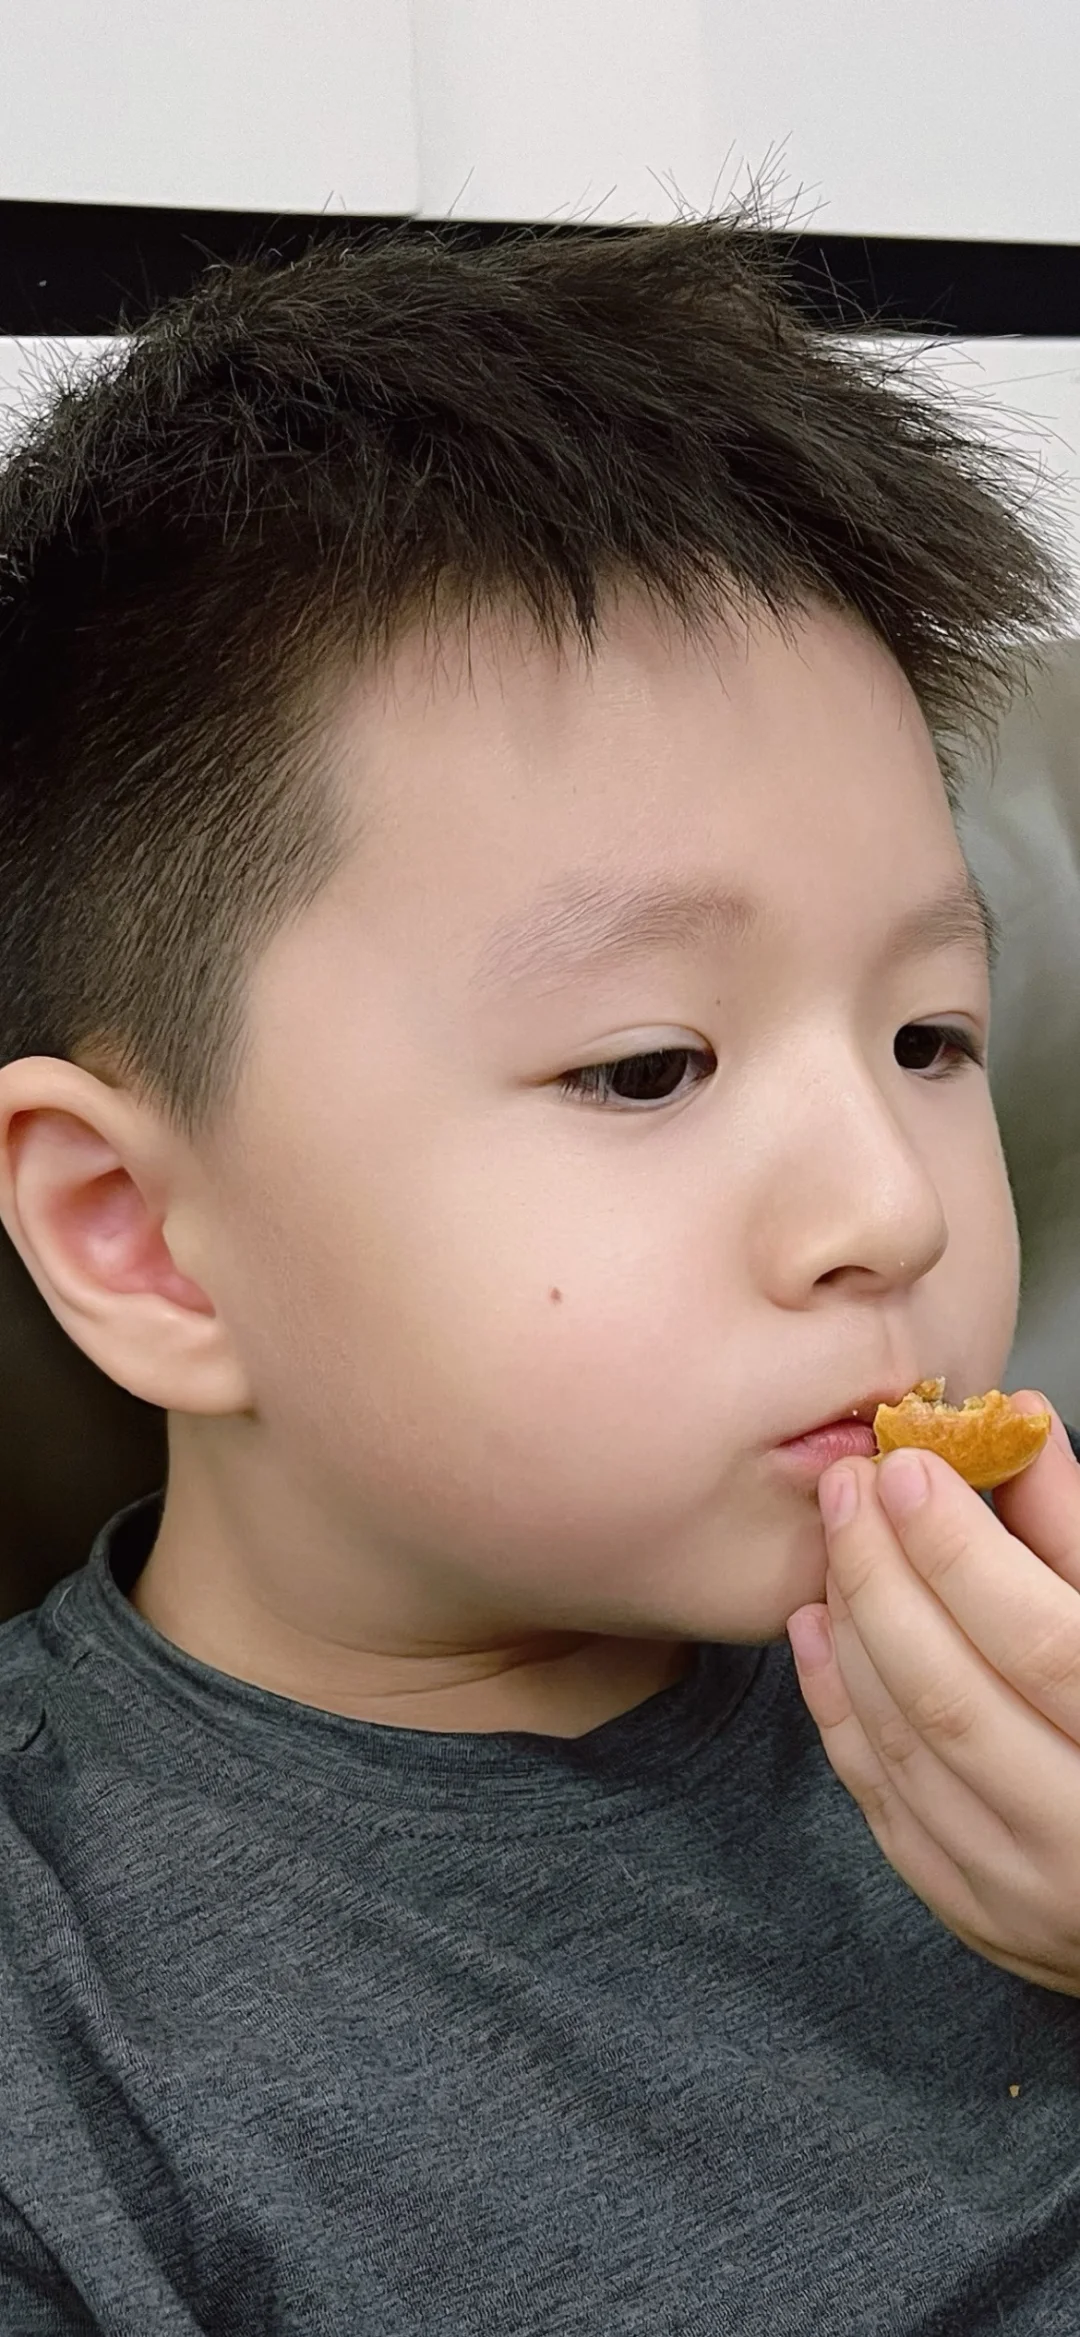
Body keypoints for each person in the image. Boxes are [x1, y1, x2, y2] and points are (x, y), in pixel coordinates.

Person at [0, 213, 1078, 2335]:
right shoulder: (70, 2028)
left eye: (930, 1036)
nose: (894, 1204)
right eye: (647, 1062)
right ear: (143, 1241)